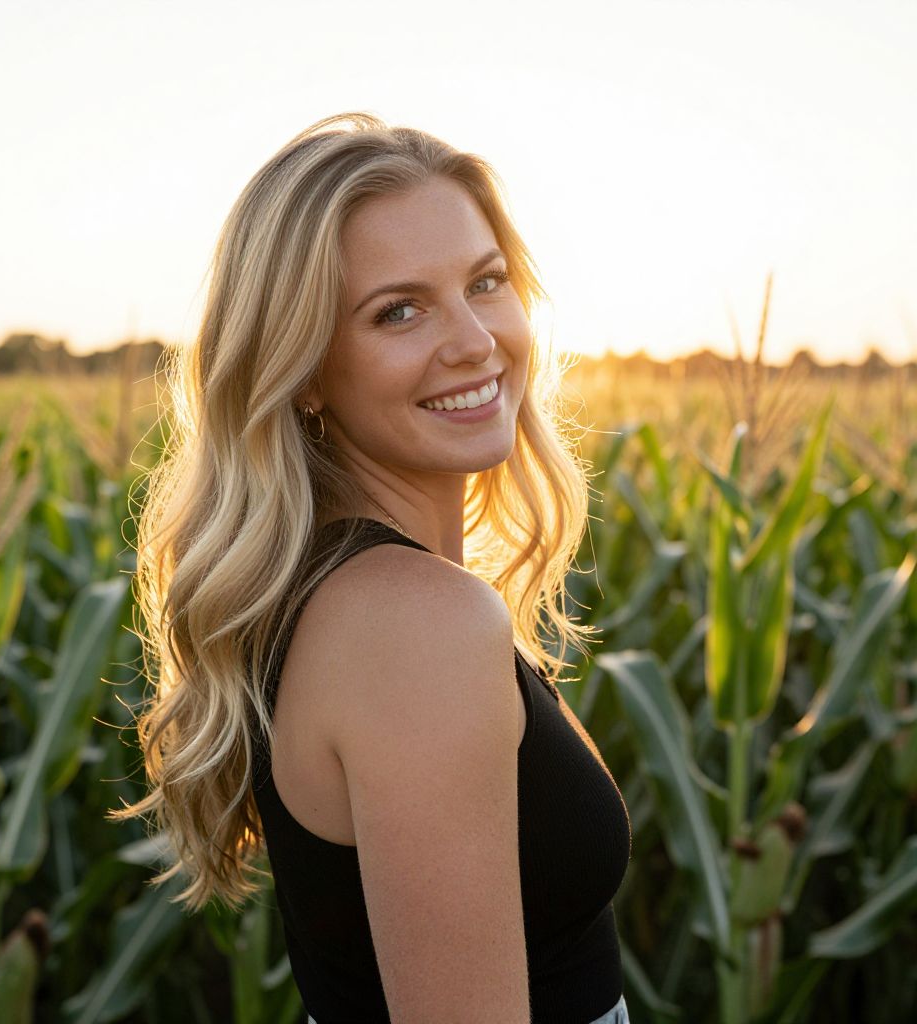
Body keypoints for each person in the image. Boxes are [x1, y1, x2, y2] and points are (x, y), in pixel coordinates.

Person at [113, 111, 633, 1023]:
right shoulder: (415, 625)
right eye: (399, 310)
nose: (474, 340)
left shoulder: (350, 596)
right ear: (305, 368)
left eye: (486, 282)